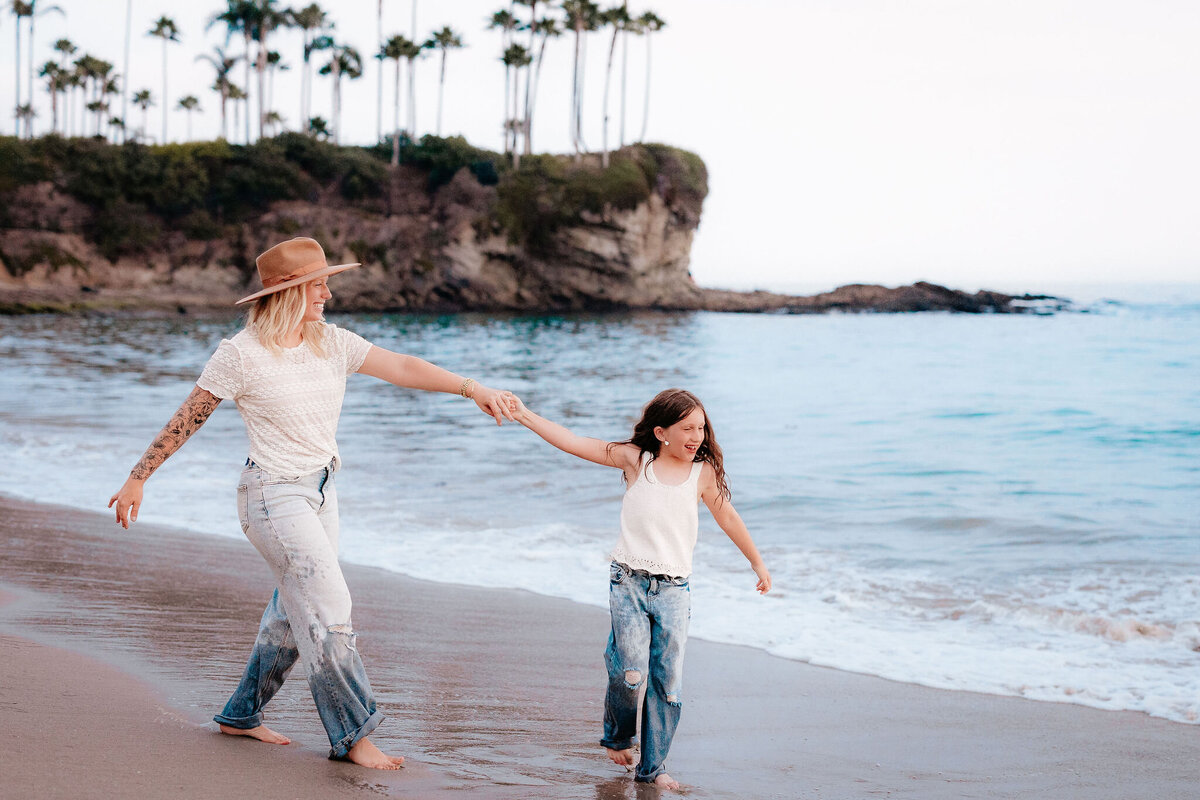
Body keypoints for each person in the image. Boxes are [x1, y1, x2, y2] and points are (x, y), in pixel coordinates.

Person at [108, 237, 516, 770]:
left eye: (326, 282)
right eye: (318, 284)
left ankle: (241, 715)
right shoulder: (240, 354)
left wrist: (471, 388)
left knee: (289, 616)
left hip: (321, 492)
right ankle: (354, 736)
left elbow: (404, 366)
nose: (327, 293)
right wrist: (139, 476)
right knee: (329, 608)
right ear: (288, 292)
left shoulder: (331, 343)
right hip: (272, 497)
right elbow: (189, 417)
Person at [507, 388, 771, 790]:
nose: (697, 435)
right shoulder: (637, 460)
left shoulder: (702, 474)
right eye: (688, 428)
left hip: (674, 591)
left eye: (701, 427)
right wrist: (525, 416)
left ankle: (654, 768)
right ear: (662, 431)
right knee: (630, 675)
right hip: (627, 581)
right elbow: (575, 442)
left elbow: (728, 517)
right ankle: (616, 736)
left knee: (667, 683)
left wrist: (756, 561)